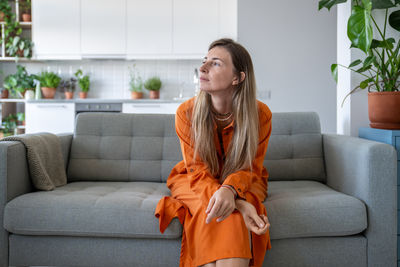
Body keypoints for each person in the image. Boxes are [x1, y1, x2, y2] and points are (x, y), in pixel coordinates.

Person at [155, 38, 272, 267]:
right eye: (204, 61)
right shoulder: (186, 113)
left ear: (238, 78)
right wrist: (236, 202)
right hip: (194, 179)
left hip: (244, 180)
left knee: (224, 213)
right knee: (226, 212)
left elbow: (250, 168)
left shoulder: (261, 115)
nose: (203, 68)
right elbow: (197, 171)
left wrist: (230, 189)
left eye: (216, 63)